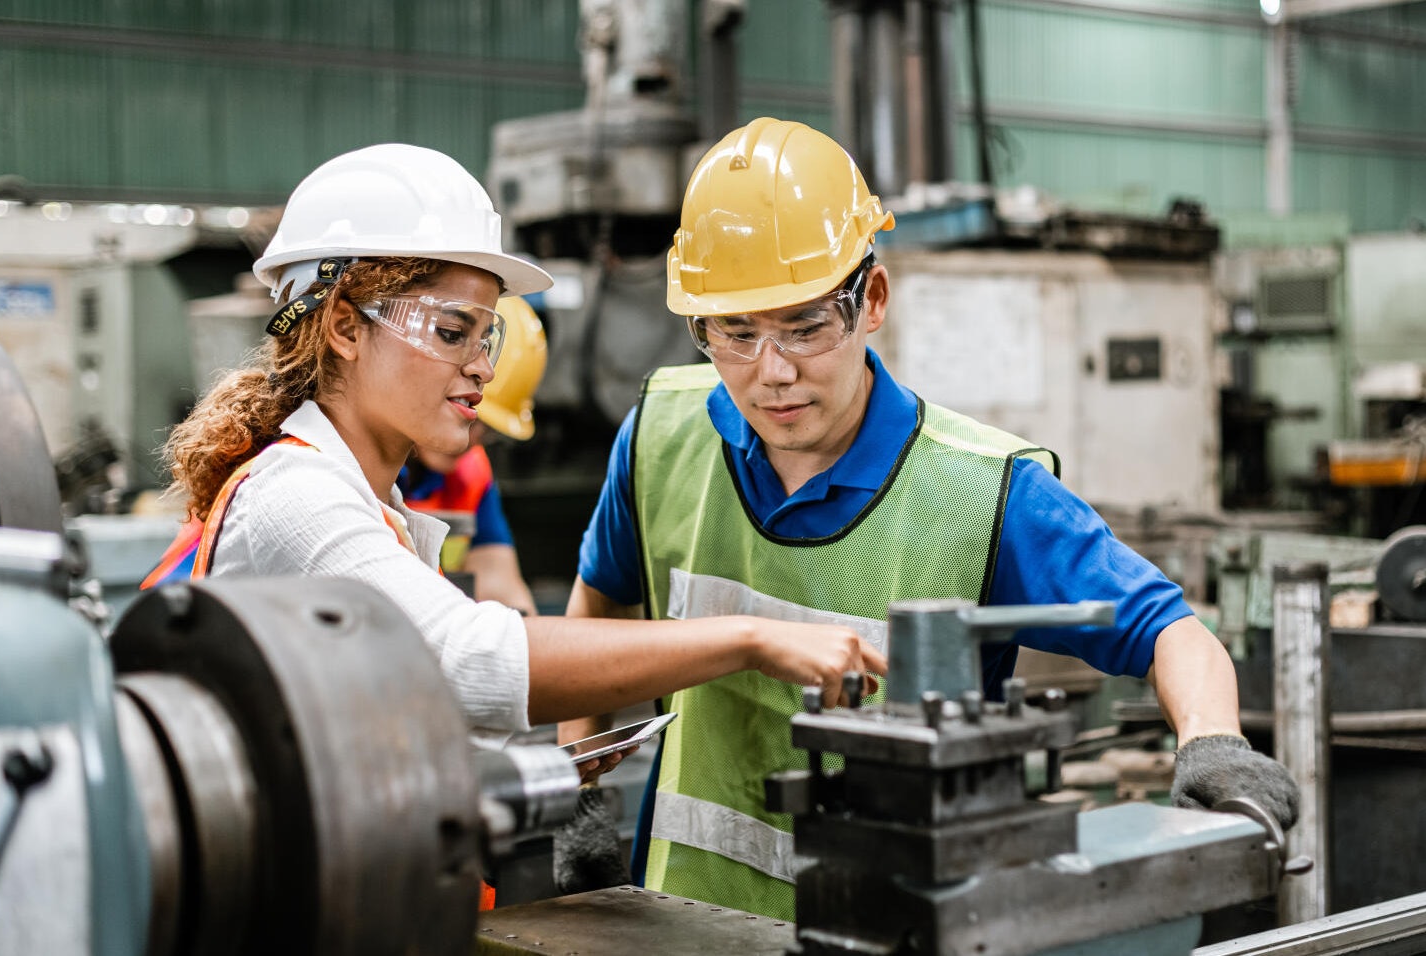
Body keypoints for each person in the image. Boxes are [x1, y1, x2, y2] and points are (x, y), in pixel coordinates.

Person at [561, 118, 1299, 920]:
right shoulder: (662, 435)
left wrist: (1214, 746)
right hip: (684, 924)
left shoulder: (981, 492)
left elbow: (1170, 632)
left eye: (805, 325)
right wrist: (578, 789)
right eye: (735, 333)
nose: (771, 372)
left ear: (870, 299)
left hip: (897, 931)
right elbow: (594, 613)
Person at [146, 143, 885, 761]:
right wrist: (751, 637)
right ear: (343, 326)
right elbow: (471, 663)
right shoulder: (297, 496)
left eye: (486, 334)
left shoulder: (368, 498)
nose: (482, 366)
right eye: (450, 332)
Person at [398, 295, 545, 614]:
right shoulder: (353, 465)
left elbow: (502, 588)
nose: (470, 440)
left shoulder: (471, 473)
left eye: (487, 429)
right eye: (464, 408)